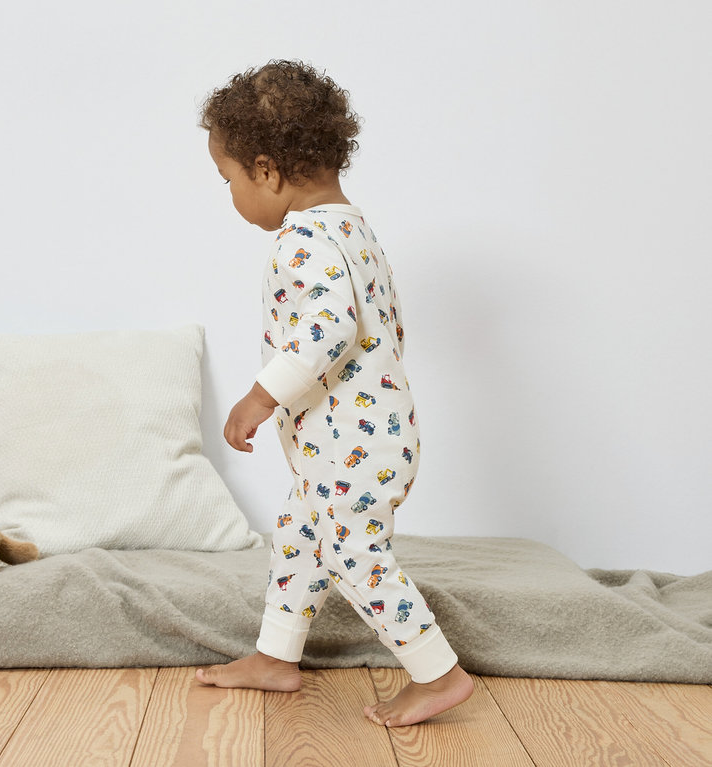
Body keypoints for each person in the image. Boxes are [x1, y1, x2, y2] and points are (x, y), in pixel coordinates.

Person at [195, 60, 473, 727]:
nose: (230, 194)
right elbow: (387, 325)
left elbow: (330, 329)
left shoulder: (303, 239)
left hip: (354, 441)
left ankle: (438, 672)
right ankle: (276, 654)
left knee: (353, 551)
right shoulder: (352, 228)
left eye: (228, 179)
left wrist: (261, 395)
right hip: (361, 437)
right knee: (299, 535)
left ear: (266, 170)